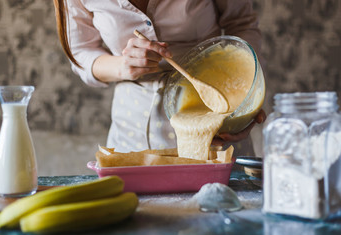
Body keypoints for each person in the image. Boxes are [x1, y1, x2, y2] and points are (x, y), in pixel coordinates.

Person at [53, 0, 266, 153]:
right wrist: (123, 66)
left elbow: (242, 23)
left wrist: (247, 98)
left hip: (218, 121)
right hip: (132, 135)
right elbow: (81, 52)